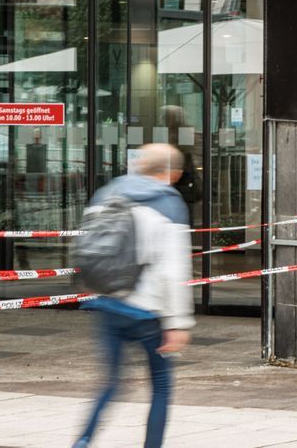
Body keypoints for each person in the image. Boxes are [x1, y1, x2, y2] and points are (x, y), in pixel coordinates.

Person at [75, 144, 194, 448]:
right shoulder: (169, 202)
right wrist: (178, 323)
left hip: (108, 303)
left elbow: (87, 248)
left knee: (111, 383)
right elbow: (173, 269)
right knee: (161, 388)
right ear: (174, 174)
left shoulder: (106, 194)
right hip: (148, 313)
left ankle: (83, 442)